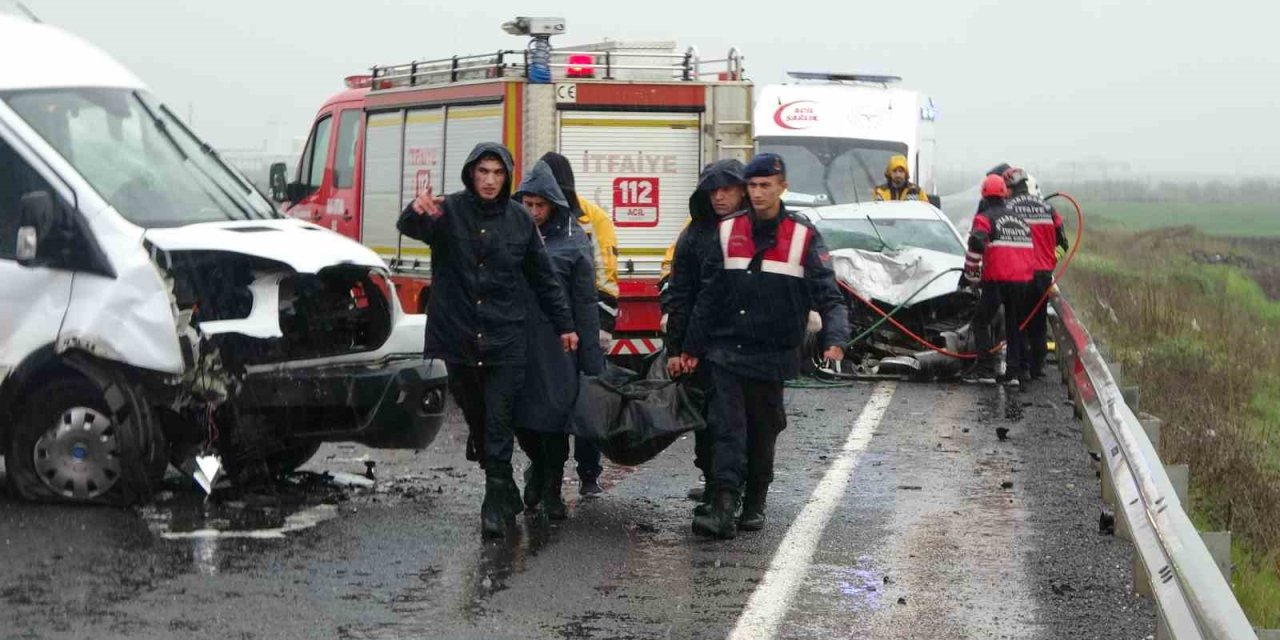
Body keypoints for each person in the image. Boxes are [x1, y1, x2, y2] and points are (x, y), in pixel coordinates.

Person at [397, 142, 578, 539]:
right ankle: (504, 485)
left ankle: (493, 503)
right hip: (458, 336)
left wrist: (566, 324)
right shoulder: (450, 211)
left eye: (498, 173)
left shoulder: (519, 221)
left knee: (499, 420)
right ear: (471, 174)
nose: (491, 181)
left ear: (507, 176)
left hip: (505, 337)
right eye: (484, 172)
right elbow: (409, 227)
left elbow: (543, 277)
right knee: (478, 422)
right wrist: (416, 208)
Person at [681, 153, 851, 539]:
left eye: (765, 186)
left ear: (781, 187)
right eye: (752, 186)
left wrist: (835, 340)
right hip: (726, 349)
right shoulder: (727, 232)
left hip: (774, 352)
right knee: (727, 428)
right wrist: (690, 346)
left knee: (763, 429)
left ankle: (755, 499)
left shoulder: (803, 236)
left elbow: (829, 295)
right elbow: (709, 295)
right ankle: (723, 505)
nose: (757, 194)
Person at [511, 160, 604, 520]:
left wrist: (591, 362)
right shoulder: (512, 233)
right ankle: (538, 467)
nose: (533, 212)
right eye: (528, 204)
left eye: (540, 205)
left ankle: (550, 487)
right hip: (517, 343)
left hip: (559, 346)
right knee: (521, 419)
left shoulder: (574, 241)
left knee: (553, 420)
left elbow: (585, 303)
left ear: (553, 204)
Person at [657, 159, 748, 505]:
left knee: (743, 423)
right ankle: (716, 484)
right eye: (713, 191)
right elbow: (681, 294)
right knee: (706, 419)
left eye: (727, 190)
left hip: (744, 345)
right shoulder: (693, 234)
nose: (720, 198)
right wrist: (677, 349)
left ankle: (742, 491)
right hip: (704, 347)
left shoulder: (753, 231)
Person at [538, 152, 616, 497]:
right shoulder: (529, 216)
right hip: (545, 331)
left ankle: (588, 473)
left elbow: (606, 276)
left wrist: (600, 328)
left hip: (585, 327)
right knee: (546, 405)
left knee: (586, 401)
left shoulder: (591, 219)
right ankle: (544, 473)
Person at [961, 174, 1035, 387]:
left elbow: (976, 243)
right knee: (1014, 325)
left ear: (984, 193)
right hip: (1022, 279)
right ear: (1004, 192)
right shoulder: (1020, 220)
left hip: (997, 279)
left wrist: (969, 273)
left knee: (980, 321)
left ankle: (985, 367)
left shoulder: (984, 217)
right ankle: (1015, 371)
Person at [1006, 168, 1068, 379]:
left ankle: (1021, 367)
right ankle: (1038, 366)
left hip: (1019, 274)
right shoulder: (1049, 209)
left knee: (1018, 321)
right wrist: (1051, 260)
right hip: (1043, 276)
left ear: (1011, 188)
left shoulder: (1008, 208)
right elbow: (1063, 244)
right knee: (1038, 320)